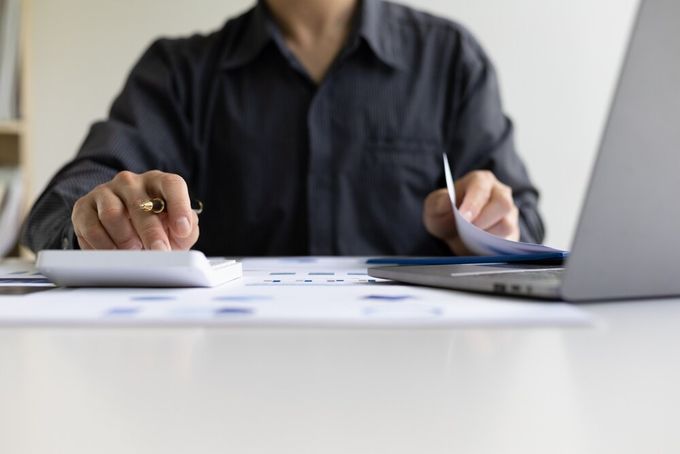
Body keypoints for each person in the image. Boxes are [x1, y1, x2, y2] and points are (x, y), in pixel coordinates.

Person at [21, 0, 545, 256]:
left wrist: (494, 227)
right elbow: (59, 208)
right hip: (220, 379)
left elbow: (525, 219)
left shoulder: (450, 60)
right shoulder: (179, 72)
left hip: (420, 377)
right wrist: (104, 216)